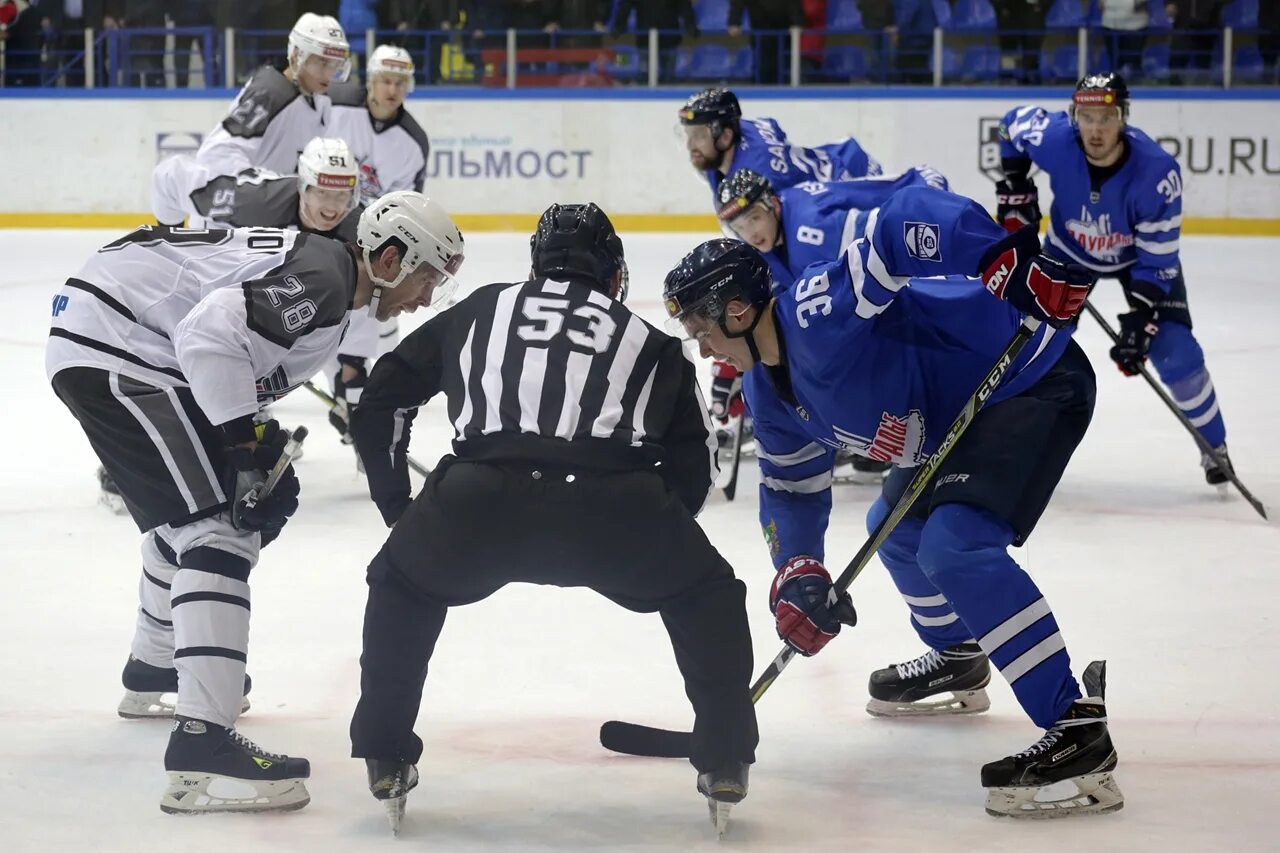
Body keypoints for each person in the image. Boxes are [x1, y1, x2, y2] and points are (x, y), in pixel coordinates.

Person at [662, 184, 1124, 818]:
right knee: (895, 529)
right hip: (953, 420)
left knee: (955, 548)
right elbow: (792, 492)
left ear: (738, 309)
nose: (702, 346)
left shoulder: (817, 312)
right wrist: (798, 573)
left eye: (702, 328)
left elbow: (903, 221)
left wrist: (1001, 261)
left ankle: (1077, 730)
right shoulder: (765, 397)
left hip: (1028, 381)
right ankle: (961, 658)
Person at [346, 203, 759, 836]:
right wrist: (661, 531)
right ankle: (725, 754)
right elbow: (694, 466)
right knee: (709, 596)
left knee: (402, 584)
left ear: (537, 266)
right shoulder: (648, 338)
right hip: (615, 506)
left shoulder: (482, 308)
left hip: (477, 500)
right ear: (613, 274)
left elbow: (381, 401)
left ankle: (385, 750)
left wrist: (400, 510)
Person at [46, 190, 464, 814]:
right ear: (391, 256)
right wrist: (245, 443)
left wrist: (256, 439)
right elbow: (209, 339)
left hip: (113, 334)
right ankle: (203, 744)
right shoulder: (324, 279)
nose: (427, 296)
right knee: (219, 529)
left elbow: (235, 347)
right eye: (427, 276)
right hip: (122, 342)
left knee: (202, 519)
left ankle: (157, 668)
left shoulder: (331, 281)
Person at [997, 73, 1235, 488]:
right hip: (1069, 252)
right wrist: (1016, 187)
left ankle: (1215, 447)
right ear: (1074, 118)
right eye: (1086, 117)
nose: (1095, 129)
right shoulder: (1054, 139)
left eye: (1106, 117)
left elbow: (1157, 259)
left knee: (1175, 351)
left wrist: (1142, 317)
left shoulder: (1157, 173)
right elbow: (1009, 125)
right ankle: (1002, 443)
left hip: (1136, 260)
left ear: (1123, 118)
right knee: (1030, 343)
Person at [712, 164, 951, 484]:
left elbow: (885, 250)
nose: (751, 233)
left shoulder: (812, 230)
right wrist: (732, 365)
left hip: (927, 251)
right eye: (740, 227)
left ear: (773, 204)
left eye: (754, 218)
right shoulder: (768, 247)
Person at [678, 86, 882, 458]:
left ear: (724, 135)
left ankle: (848, 409)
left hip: (849, 192)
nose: (691, 145)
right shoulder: (725, 162)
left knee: (821, 312)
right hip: (818, 199)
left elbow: (783, 281)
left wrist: (742, 359)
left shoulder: (764, 176)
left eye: (698, 136)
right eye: (687, 136)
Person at [194, 12, 351, 178]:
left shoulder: (321, 99)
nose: (330, 73)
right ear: (297, 55)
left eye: (336, 64)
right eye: (323, 62)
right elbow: (216, 153)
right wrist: (267, 191)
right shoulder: (270, 93)